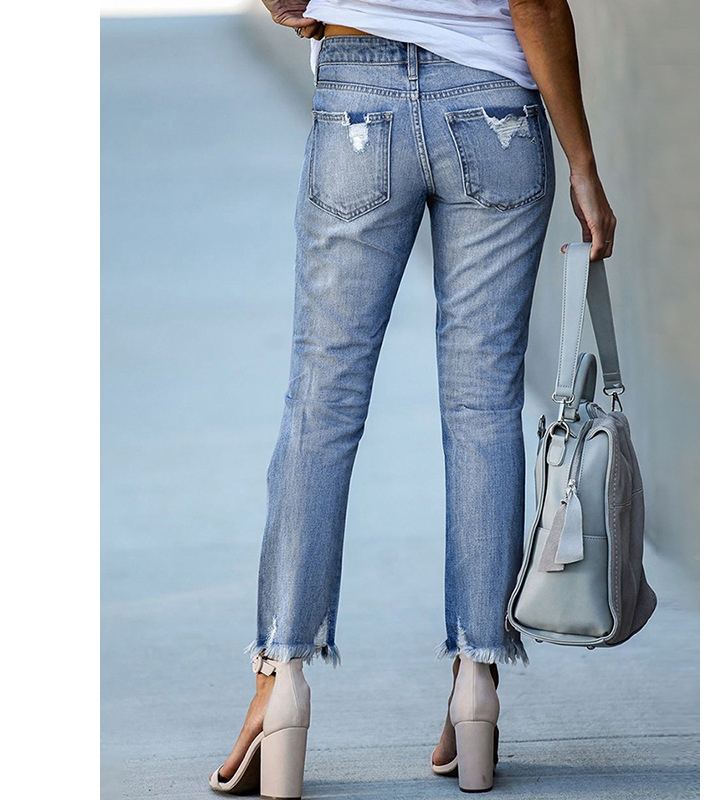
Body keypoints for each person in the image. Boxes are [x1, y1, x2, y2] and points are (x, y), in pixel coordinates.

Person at [209, 0, 616, 795]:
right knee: (483, 406)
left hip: (357, 101)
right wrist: (583, 163)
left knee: (321, 402)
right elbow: (533, 3)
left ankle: (280, 680)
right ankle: (476, 684)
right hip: (494, 106)